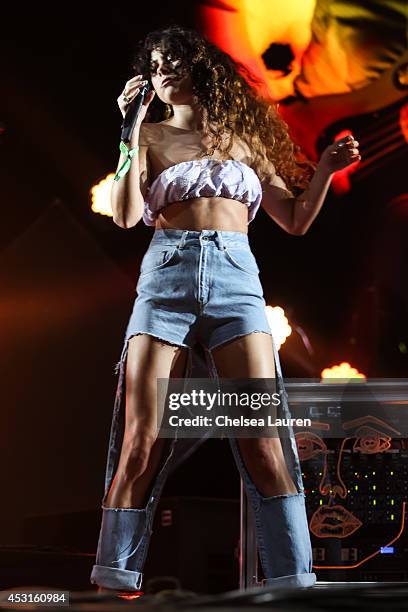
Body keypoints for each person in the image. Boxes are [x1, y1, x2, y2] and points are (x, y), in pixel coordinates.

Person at [90, 24, 360, 594]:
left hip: (238, 281)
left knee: (262, 438)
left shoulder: (244, 141)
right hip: (166, 280)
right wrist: (129, 128)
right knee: (144, 436)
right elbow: (123, 214)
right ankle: (116, 577)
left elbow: (294, 220)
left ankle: (294, 580)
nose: (163, 72)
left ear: (201, 69)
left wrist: (328, 171)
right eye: (155, 64)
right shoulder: (150, 136)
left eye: (175, 61)